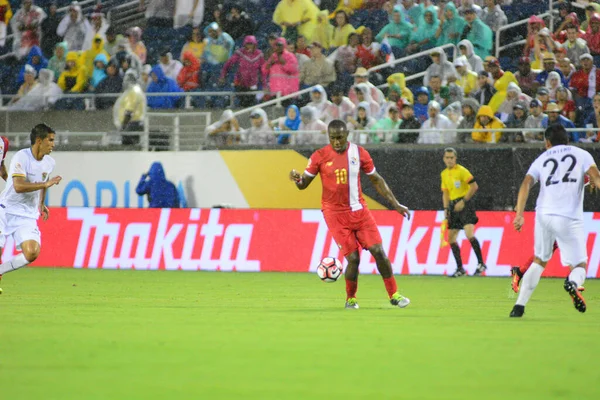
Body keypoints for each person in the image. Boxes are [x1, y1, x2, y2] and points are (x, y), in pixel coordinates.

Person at [289, 120, 411, 310]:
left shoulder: (359, 153)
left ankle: (394, 295)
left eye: (340, 137)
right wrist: (297, 179)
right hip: (335, 214)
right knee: (353, 258)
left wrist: (395, 204)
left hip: (359, 211)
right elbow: (303, 184)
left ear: (347, 134)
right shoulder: (319, 156)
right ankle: (351, 299)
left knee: (379, 251)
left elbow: (377, 180)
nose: (336, 142)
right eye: (332, 138)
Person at [510, 125, 600, 317]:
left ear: (547, 142)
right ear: (567, 140)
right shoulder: (582, 154)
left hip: (543, 215)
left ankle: (519, 307)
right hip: (568, 217)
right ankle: (573, 283)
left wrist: (519, 213)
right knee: (580, 265)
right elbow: (596, 178)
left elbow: (526, 183)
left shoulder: (542, 158)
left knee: (539, 260)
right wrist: (593, 181)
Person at [0, 124, 61, 288]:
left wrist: (41, 203)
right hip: (5, 211)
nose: (53, 144)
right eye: (51, 140)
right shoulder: (21, 157)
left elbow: (42, 183)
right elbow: (19, 186)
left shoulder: (49, 162)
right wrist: (46, 183)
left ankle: (0, 271)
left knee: (32, 252)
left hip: (27, 215)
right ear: (39, 141)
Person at [441, 148, 487, 277]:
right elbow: (445, 192)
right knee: (451, 238)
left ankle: (481, 263)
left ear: (455, 158)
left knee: (469, 234)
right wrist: (446, 208)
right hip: (453, 205)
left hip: (465, 204)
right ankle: (460, 268)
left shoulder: (462, 171)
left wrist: (464, 201)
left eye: (451, 157)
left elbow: (474, 186)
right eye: (447, 157)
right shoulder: (444, 174)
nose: (449, 160)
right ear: (444, 159)